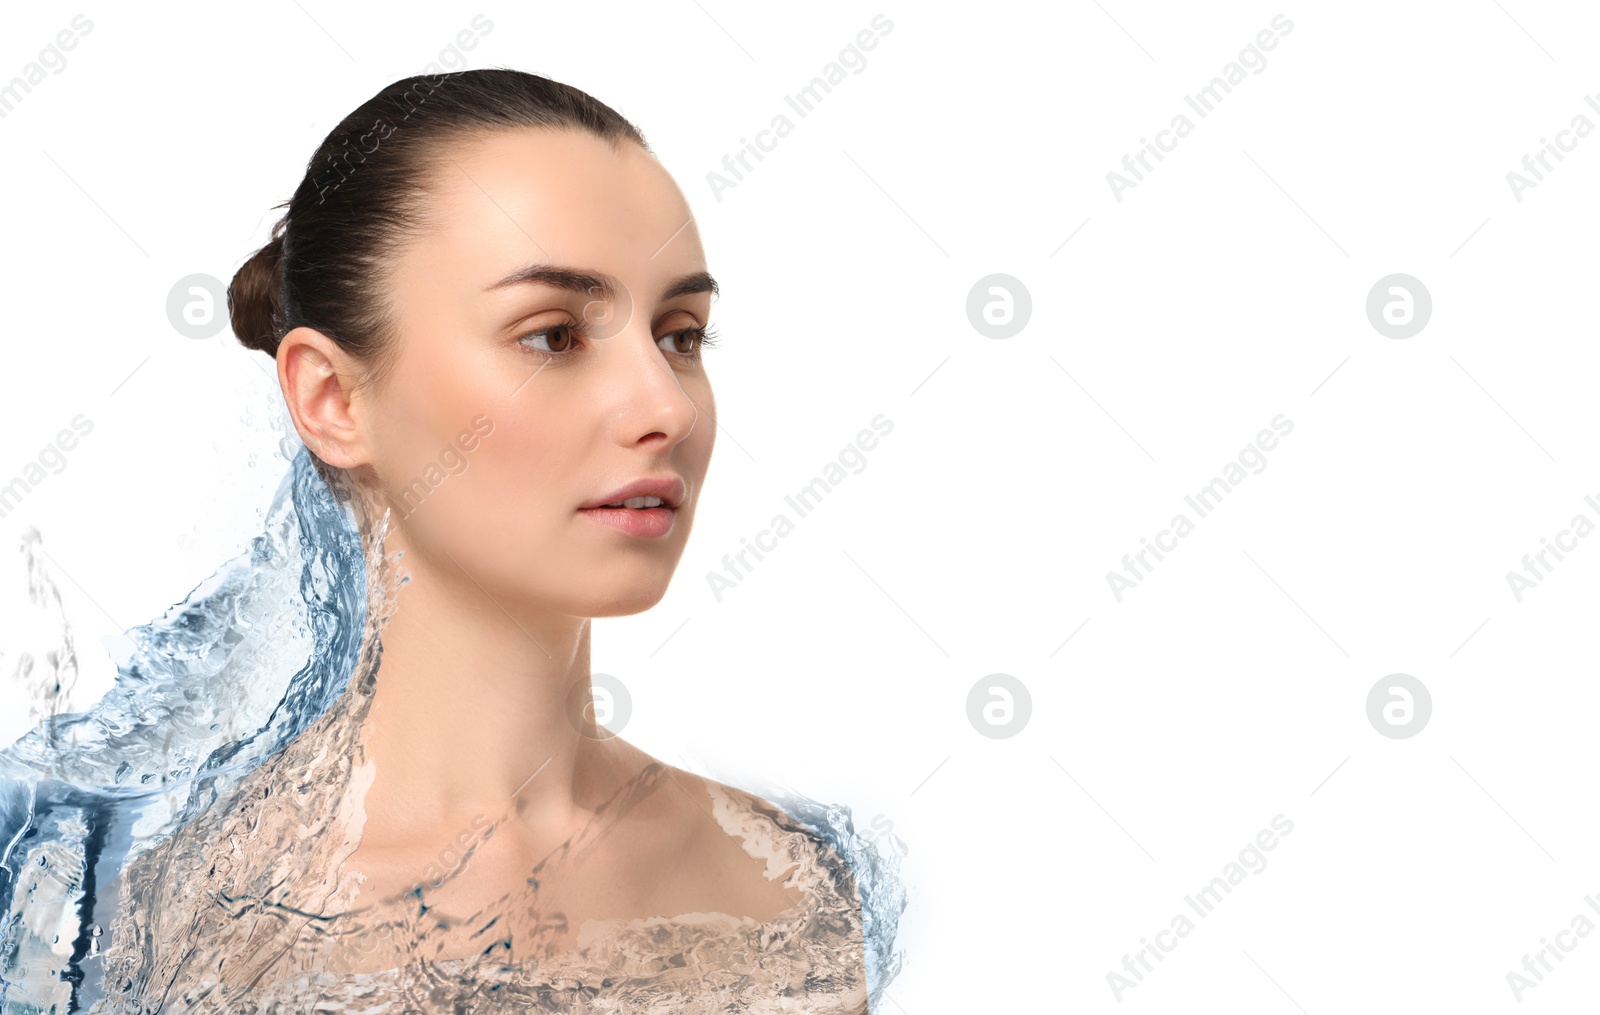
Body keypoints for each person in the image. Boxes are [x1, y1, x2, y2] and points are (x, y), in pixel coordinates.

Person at [73, 68, 898, 1012]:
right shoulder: (200, 926)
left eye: (680, 334)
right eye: (553, 337)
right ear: (334, 400)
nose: (666, 406)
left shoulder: (790, 886)